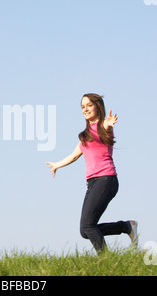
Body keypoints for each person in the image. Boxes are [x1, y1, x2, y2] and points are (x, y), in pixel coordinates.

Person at [46, 93, 137, 254]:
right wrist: (56, 165)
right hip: (94, 183)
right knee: (85, 230)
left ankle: (106, 260)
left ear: (98, 106)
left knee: (88, 225)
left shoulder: (102, 127)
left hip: (105, 179)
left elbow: (107, 127)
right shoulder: (86, 136)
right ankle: (127, 226)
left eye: (89, 105)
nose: (85, 109)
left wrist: (108, 123)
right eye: (82, 107)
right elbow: (74, 155)